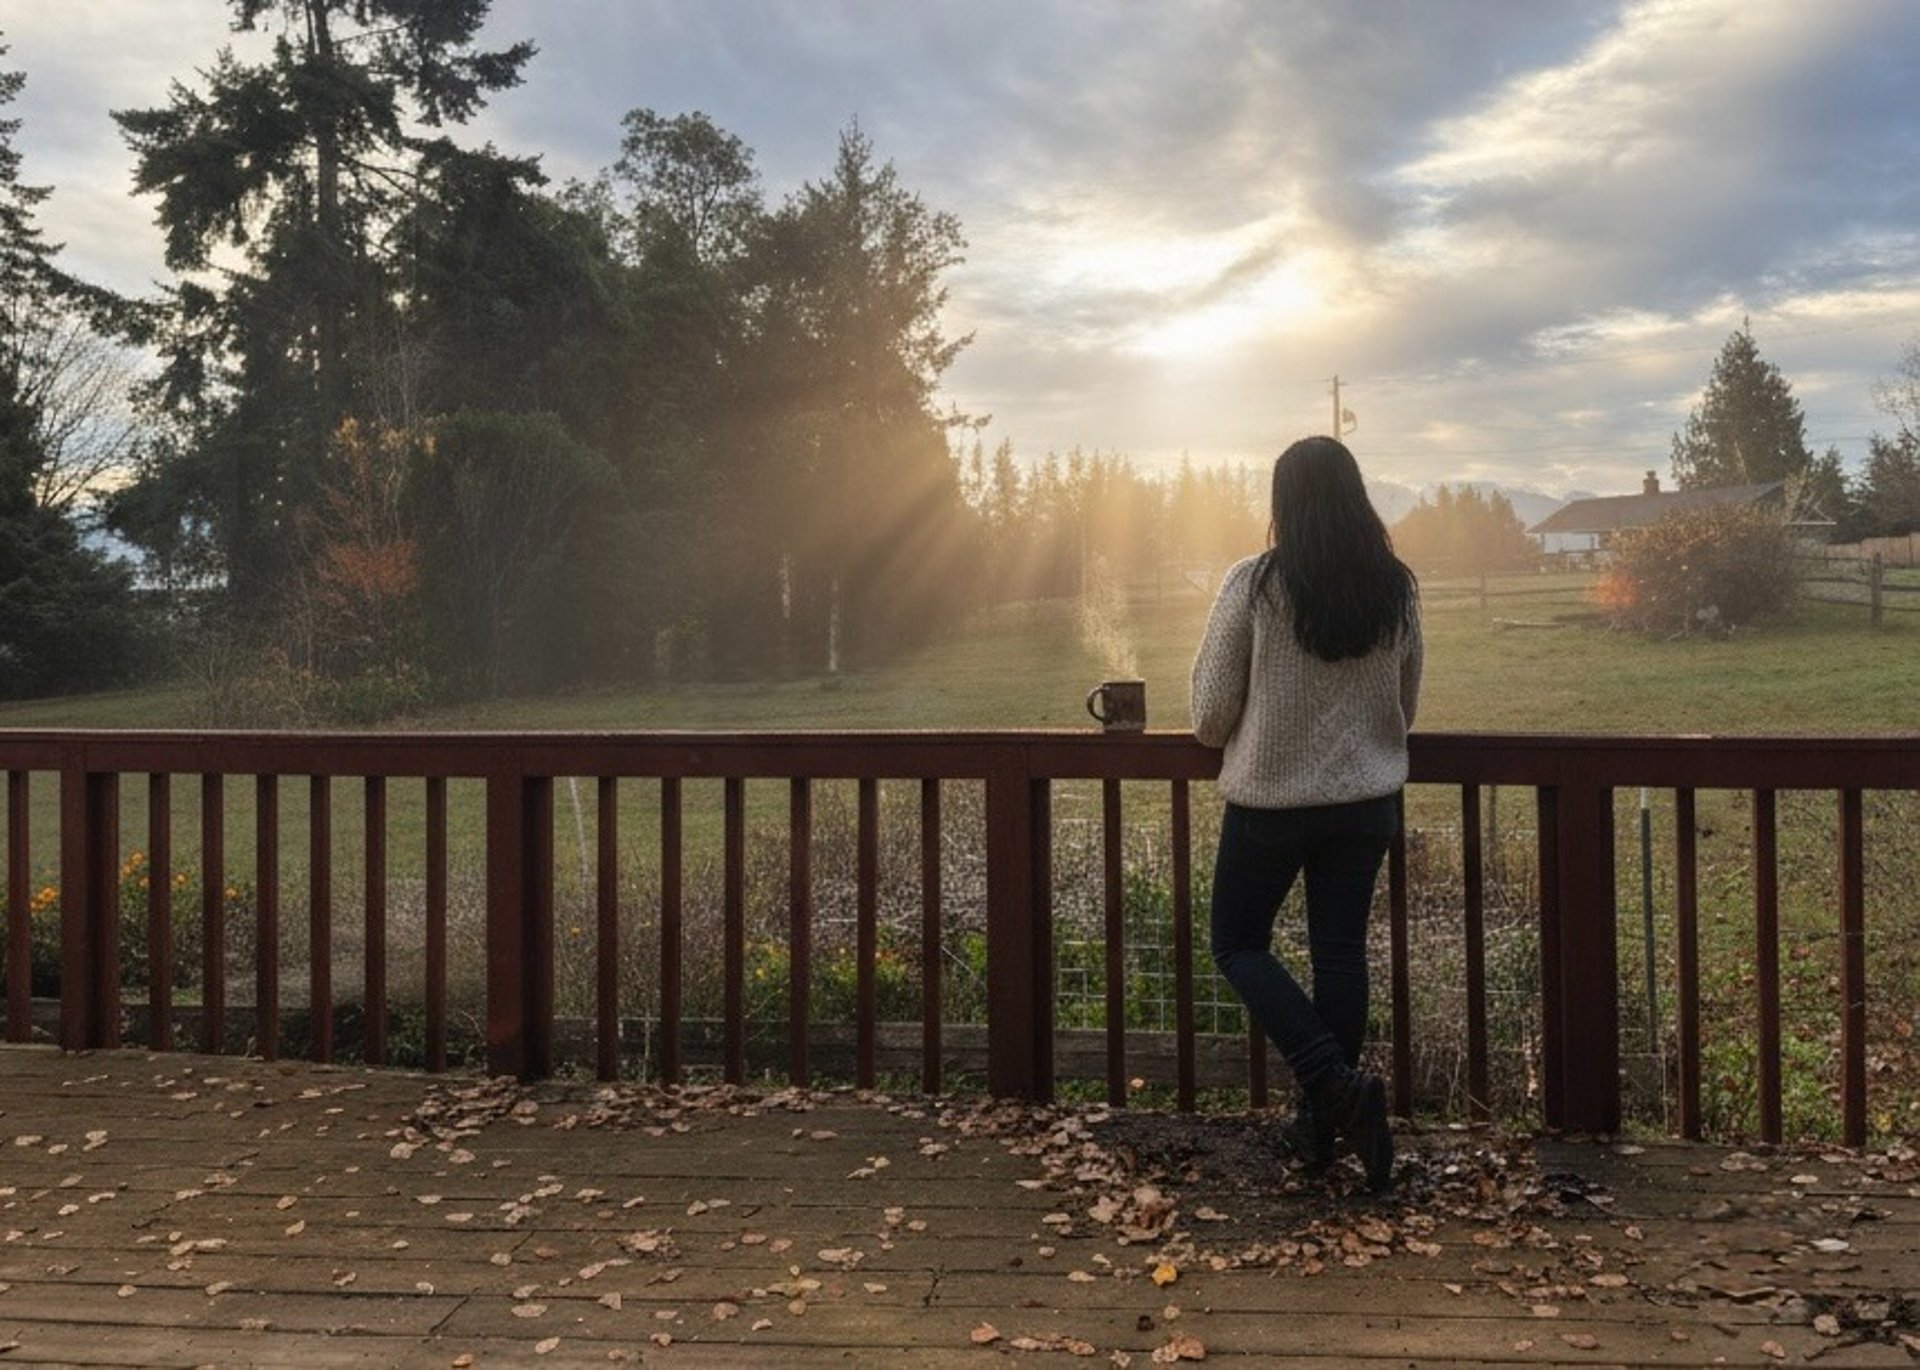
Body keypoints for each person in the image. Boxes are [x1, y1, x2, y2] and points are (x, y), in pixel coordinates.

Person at [1189, 435, 1422, 1191]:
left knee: (1235, 943)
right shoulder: (1395, 586)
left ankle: (1333, 1089)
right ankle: (1321, 1131)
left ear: (1283, 504)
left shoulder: (1256, 584)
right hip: (1367, 803)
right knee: (1339, 958)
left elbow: (1210, 714)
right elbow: (1404, 704)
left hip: (1273, 801)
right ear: (1357, 498)